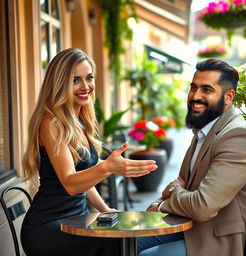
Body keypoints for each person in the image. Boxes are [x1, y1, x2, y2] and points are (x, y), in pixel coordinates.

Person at [21, 48, 157, 256]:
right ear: (60, 84)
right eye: (75, 80)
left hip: (77, 220)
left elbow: (84, 181)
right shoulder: (52, 123)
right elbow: (70, 183)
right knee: (119, 244)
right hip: (48, 227)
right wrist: (106, 167)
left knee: (128, 238)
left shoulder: (79, 122)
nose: (85, 87)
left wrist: (106, 209)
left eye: (89, 78)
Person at [137, 59, 246, 256]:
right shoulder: (206, 129)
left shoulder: (238, 136)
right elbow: (186, 189)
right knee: (126, 242)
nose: (195, 96)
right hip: (190, 225)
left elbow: (202, 205)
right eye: (193, 87)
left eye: (207, 90)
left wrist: (164, 202)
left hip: (221, 239)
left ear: (228, 97)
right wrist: (166, 197)